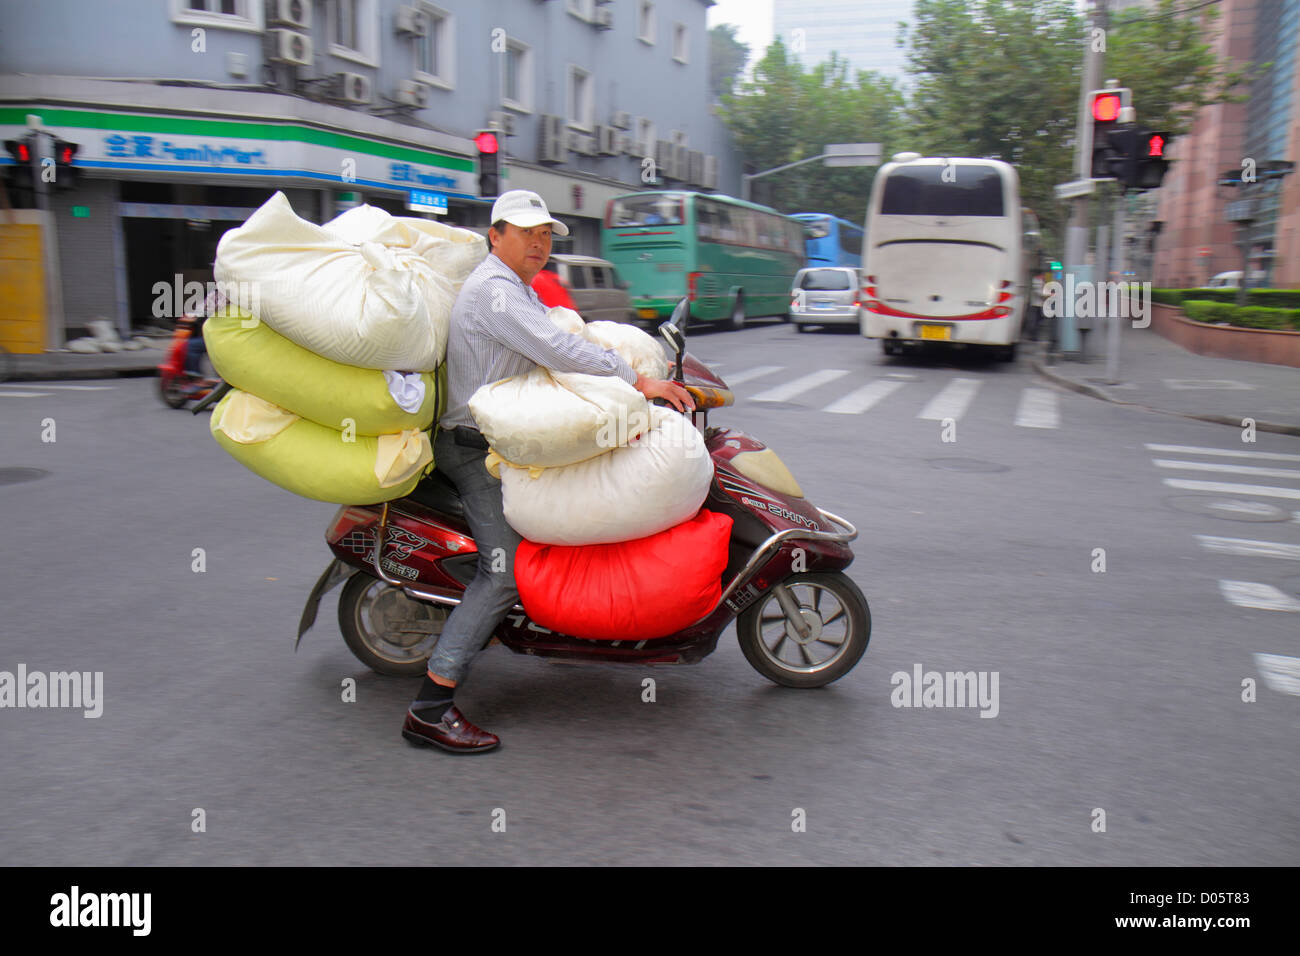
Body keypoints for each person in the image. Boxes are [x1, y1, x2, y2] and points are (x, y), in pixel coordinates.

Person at [401, 189, 693, 754]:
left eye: (545, 234)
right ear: (495, 235)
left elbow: (562, 342)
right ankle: (430, 706)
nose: (539, 242)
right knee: (503, 571)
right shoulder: (493, 292)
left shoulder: (518, 289)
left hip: (501, 437)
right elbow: (556, 347)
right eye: (526, 231)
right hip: (471, 446)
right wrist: (636, 383)